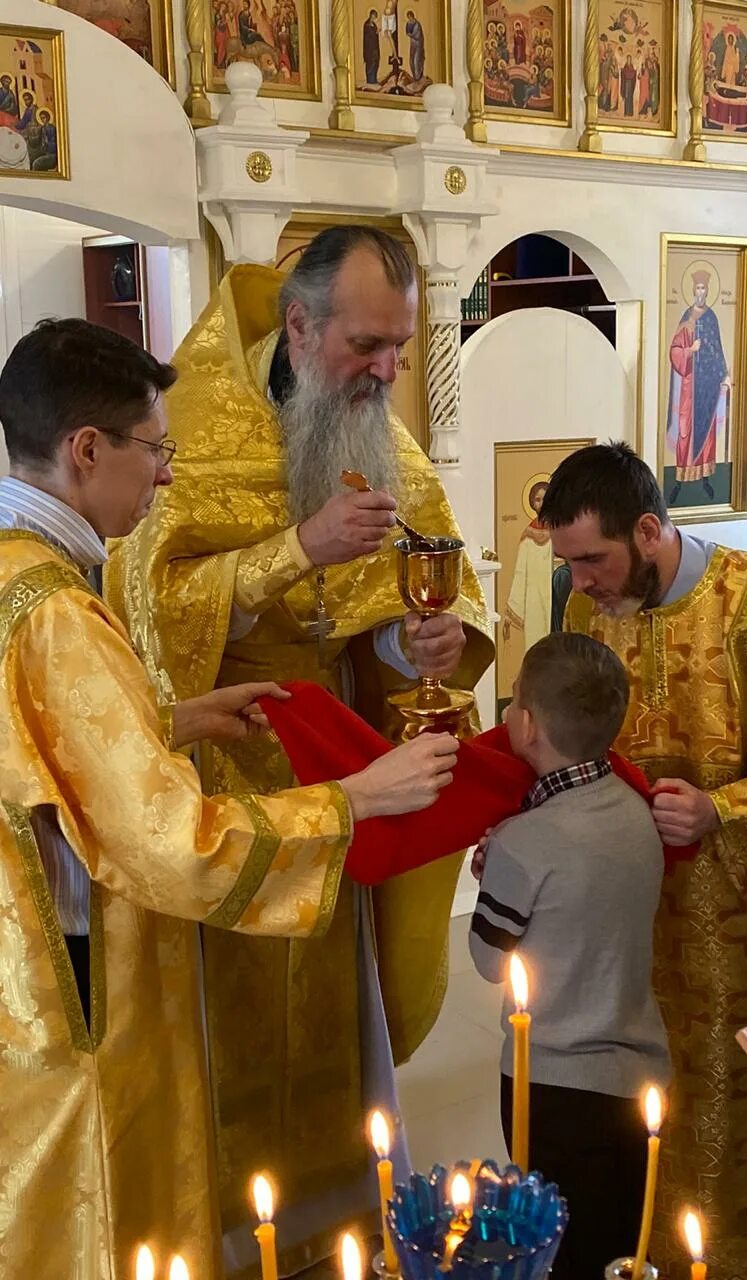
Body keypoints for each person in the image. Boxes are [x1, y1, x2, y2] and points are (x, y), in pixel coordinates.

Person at [0, 318, 459, 1280]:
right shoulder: (54, 610)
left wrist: (168, 721)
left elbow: (34, 764)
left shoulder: (13, 575)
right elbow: (168, 842)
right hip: (77, 991)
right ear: (88, 449)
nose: (166, 475)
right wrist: (354, 801)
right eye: (153, 450)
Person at [105, 225, 494, 1272]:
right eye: (369, 345)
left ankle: (339, 1230)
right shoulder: (180, 422)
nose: (387, 372)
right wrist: (293, 550)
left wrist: (424, 639)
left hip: (338, 777)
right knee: (226, 1033)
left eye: (401, 350)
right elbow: (145, 616)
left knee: (334, 1022)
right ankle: (227, 1239)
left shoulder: (381, 436)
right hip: (221, 785)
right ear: (300, 323)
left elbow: (423, 592)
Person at [539, 442, 747, 1279]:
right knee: (626, 1114)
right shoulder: (584, 615)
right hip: (623, 931)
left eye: (592, 560)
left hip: (745, 935)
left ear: (648, 531)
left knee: (726, 1117)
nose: (579, 584)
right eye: (566, 562)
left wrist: (723, 807)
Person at [470, 632, 669, 1280]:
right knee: (618, 1244)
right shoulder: (638, 810)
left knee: (557, 1254)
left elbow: (489, 960)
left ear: (524, 724)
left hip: (551, 1083)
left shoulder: (528, 841)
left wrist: (497, 869)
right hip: (638, 1077)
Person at [666, 267, 729, 503]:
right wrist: (690, 351)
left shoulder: (711, 318)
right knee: (686, 430)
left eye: (704, 288)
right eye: (698, 287)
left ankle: (705, 478)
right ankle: (680, 480)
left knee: (707, 433)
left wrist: (724, 375)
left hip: (708, 386)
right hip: (690, 386)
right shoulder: (687, 319)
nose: (701, 291)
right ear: (693, 290)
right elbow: (674, 351)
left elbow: (717, 348)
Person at [502, 480, 552, 648]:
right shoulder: (527, 536)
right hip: (533, 598)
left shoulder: (560, 533)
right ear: (532, 503)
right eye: (537, 499)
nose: (542, 503)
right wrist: (511, 611)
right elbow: (520, 572)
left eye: (545, 498)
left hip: (555, 594)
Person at [405, 8, 425, 81]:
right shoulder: (408, 23)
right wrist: (410, 35)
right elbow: (407, 32)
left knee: (417, 59)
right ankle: (414, 76)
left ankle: (418, 76)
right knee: (411, 59)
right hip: (412, 43)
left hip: (418, 43)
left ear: (412, 16)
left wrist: (411, 35)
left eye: (410, 17)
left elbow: (417, 35)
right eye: (408, 17)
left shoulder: (417, 24)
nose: (409, 18)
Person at [363, 7, 380, 83]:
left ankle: (374, 79)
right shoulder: (367, 25)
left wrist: (376, 32)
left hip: (375, 48)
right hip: (369, 49)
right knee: (370, 64)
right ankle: (370, 80)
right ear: (370, 16)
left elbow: (374, 35)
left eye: (375, 18)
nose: (374, 19)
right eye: (373, 17)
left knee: (376, 63)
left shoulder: (374, 25)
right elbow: (368, 37)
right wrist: (375, 33)